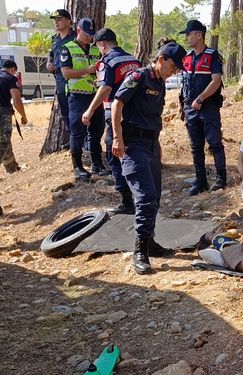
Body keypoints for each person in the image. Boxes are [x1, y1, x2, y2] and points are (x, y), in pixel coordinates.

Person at [111, 41, 187, 275]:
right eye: (172, 66)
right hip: (133, 145)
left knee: (154, 197)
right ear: (162, 59)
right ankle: (140, 250)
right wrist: (117, 137)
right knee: (145, 197)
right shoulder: (138, 76)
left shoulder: (160, 83)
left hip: (151, 145)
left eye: (176, 70)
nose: (173, 72)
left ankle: (150, 241)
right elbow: (117, 103)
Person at [81, 28, 142, 214]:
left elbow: (105, 88)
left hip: (116, 115)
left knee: (115, 157)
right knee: (135, 155)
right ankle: (141, 197)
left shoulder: (106, 62)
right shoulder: (134, 60)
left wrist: (90, 110)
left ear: (102, 44)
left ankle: (126, 202)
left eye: (98, 47)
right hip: (137, 115)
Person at [179, 20, 227, 195]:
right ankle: (201, 181)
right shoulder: (187, 57)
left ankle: (221, 179)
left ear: (199, 35)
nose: (186, 38)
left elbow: (216, 81)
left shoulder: (212, 55)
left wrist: (200, 99)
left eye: (189, 34)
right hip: (190, 108)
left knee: (215, 144)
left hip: (208, 107)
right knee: (195, 146)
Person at [60, 17, 107, 180]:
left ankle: (97, 163)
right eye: (87, 34)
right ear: (78, 30)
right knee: (77, 132)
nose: (90, 37)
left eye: (92, 34)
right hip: (77, 96)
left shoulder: (95, 50)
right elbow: (66, 73)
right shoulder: (67, 48)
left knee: (97, 130)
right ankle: (78, 167)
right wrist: (88, 70)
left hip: (95, 96)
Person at [46, 9, 76, 143]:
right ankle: (73, 138)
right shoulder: (54, 38)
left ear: (69, 22)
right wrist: (48, 63)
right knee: (65, 111)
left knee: (77, 110)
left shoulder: (76, 37)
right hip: (59, 79)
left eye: (59, 19)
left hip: (75, 78)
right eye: (55, 20)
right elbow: (51, 54)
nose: (56, 22)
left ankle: (83, 140)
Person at [0, 60, 27, 174]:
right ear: (13, 69)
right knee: (3, 142)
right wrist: (23, 116)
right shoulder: (11, 78)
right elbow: (17, 100)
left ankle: (12, 168)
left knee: (4, 140)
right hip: (2, 112)